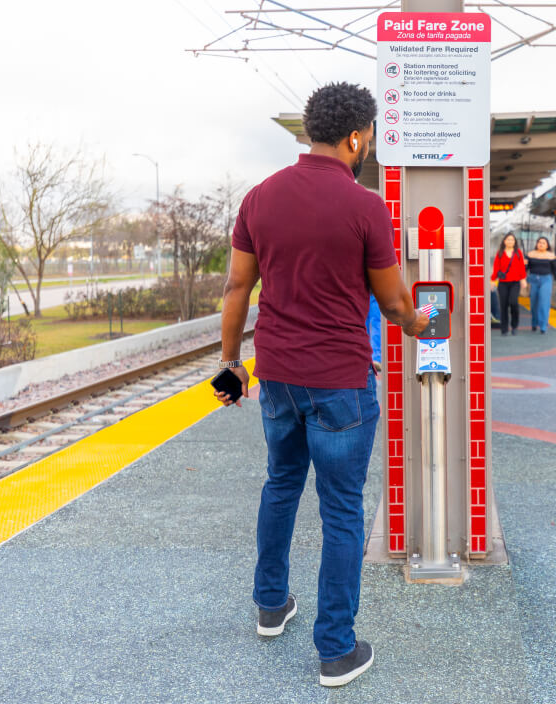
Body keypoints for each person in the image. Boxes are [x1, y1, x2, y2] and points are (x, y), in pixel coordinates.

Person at [214, 82, 428, 688]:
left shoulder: (259, 198)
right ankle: (335, 649)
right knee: (340, 508)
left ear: (312, 130)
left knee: (281, 483)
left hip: (276, 376)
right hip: (339, 383)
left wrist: (232, 363)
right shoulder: (365, 207)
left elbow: (237, 291)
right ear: (356, 137)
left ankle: (270, 606)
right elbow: (393, 305)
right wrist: (424, 322)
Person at [489, 233, 527, 335]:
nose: (510, 241)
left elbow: (521, 267)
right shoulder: (500, 253)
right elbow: (496, 267)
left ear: (515, 242)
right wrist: (493, 280)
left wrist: (523, 279)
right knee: (503, 305)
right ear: (504, 241)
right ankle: (504, 328)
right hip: (503, 283)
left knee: (513, 302)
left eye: (512, 240)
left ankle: (514, 325)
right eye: (508, 239)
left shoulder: (518, 253)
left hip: (515, 283)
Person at [526, 236, 556, 334]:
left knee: (544, 303)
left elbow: (555, 271)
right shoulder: (530, 254)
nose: (541, 244)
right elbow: (525, 268)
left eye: (543, 243)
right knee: (533, 303)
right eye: (539, 242)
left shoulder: (551, 256)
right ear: (536, 244)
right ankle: (534, 323)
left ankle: (543, 326)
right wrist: (522, 279)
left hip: (546, 280)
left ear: (547, 245)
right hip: (533, 279)